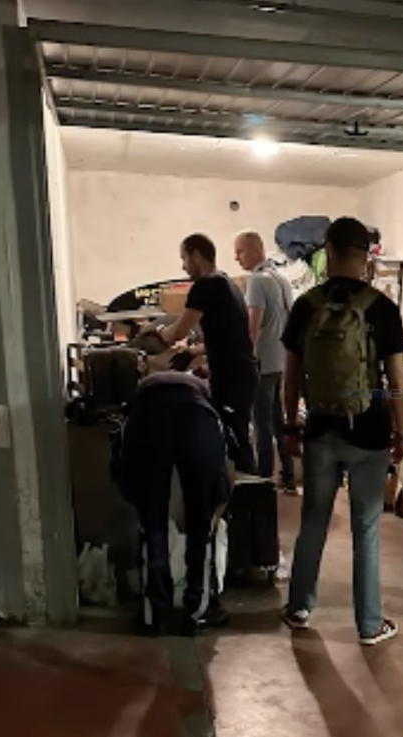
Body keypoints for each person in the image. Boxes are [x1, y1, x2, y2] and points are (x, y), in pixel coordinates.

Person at [279, 217, 403, 646]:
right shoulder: (382, 308)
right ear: (365, 256)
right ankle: (369, 625)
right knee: (365, 529)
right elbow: (398, 381)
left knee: (313, 521)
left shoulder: (306, 305)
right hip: (369, 432)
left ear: (328, 252)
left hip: (320, 430)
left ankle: (299, 607)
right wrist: (401, 433)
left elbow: (291, 377)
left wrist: (289, 423)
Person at [114, 336, 233, 636]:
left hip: (148, 421)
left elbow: (122, 468)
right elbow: (224, 470)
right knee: (200, 523)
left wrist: (135, 494)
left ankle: (155, 614)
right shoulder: (202, 384)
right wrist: (217, 501)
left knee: (152, 522)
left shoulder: (144, 385)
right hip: (198, 420)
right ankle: (197, 611)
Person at [156, 233, 258, 474]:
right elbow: (230, 335)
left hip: (232, 378)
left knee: (236, 443)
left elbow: (176, 333)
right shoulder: (226, 282)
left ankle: (251, 493)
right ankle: (244, 491)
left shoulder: (205, 286)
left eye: (184, 259)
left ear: (196, 256)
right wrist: (194, 353)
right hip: (241, 374)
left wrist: (157, 331)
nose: (183, 266)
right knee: (236, 439)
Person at [234, 229, 297, 493]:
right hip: (282, 361)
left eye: (240, 252)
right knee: (278, 419)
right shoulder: (281, 278)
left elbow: (252, 329)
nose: (236, 258)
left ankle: (262, 481)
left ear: (256, 249)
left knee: (261, 422)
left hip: (263, 363)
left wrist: (240, 360)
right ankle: (288, 475)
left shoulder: (257, 281)